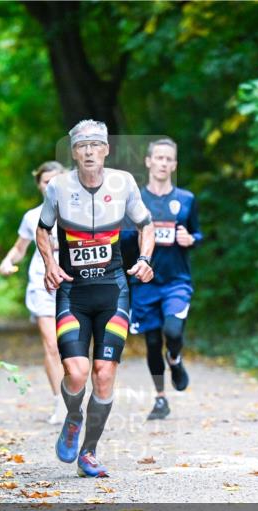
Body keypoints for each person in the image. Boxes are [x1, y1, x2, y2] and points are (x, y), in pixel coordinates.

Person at [36, 119, 155, 478]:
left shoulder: (123, 183)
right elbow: (43, 230)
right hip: (73, 292)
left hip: (113, 291)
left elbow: (146, 224)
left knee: (103, 375)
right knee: (76, 372)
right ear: (73, 152)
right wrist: (50, 264)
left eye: (95, 145)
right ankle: (73, 416)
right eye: (81, 146)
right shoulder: (57, 187)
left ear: (106, 149)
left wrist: (146, 259)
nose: (88, 151)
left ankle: (89, 451)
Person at [124, 137, 202, 420]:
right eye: (159, 157)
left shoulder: (186, 199)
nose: (163, 163)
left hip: (176, 280)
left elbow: (198, 234)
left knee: (173, 332)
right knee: (153, 342)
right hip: (144, 282)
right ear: (148, 161)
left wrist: (189, 238)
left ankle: (176, 359)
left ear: (174, 165)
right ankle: (160, 398)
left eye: (169, 159)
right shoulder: (136, 200)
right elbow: (122, 241)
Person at [0, 161, 68, 424]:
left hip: (75, 285)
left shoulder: (83, 212)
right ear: (39, 185)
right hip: (42, 285)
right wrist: (8, 262)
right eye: (45, 181)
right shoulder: (32, 217)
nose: (50, 185)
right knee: (52, 344)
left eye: (55, 180)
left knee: (73, 346)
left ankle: (75, 395)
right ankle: (60, 403)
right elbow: (19, 249)